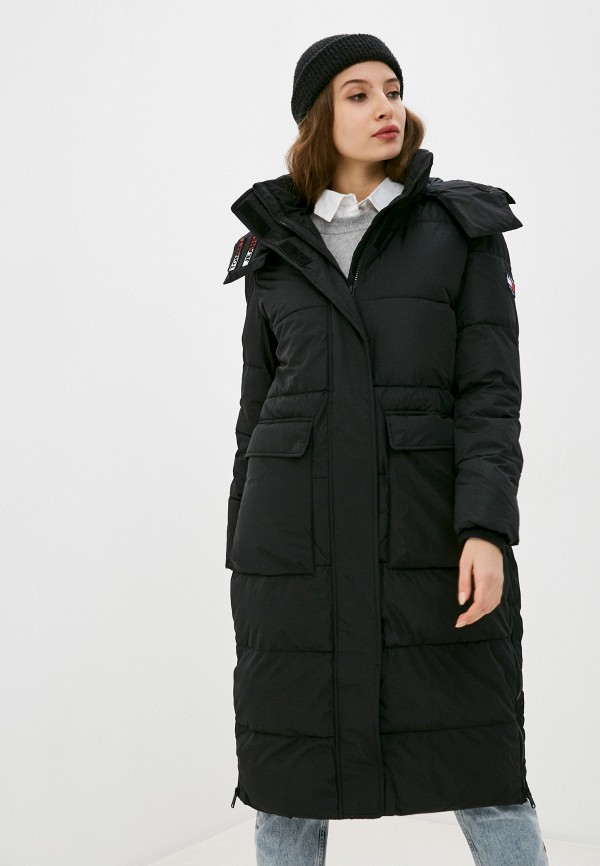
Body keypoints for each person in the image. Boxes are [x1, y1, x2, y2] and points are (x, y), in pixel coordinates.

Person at [223, 33, 549, 866]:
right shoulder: (273, 245)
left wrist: (487, 528)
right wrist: (243, 550)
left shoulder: (461, 229)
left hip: (428, 542)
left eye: (393, 90)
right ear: (318, 118)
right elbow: (256, 412)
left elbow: (490, 395)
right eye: (358, 93)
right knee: (286, 786)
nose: (385, 108)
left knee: (484, 767)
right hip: (291, 559)